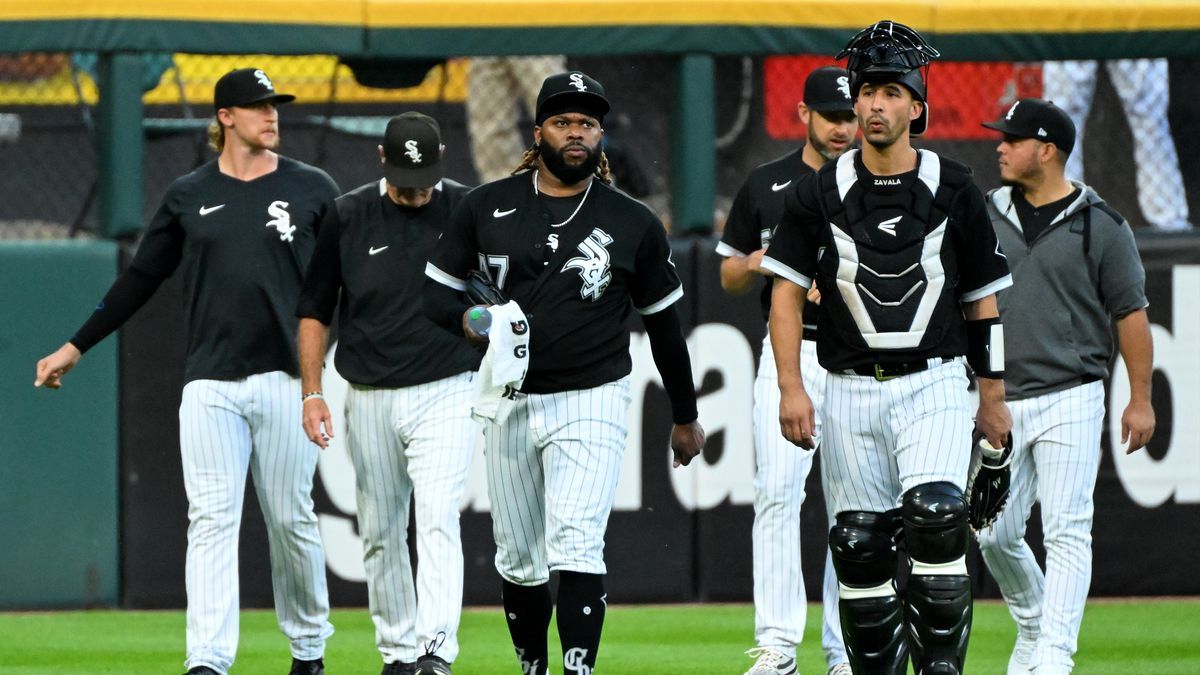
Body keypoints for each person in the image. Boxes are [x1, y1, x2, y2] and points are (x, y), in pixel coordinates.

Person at [34, 68, 334, 675]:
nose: (271, 115)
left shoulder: (314, 188)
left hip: (287, 380)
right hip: (210, 382)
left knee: (290, 518)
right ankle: (208, 659)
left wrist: (324, 376)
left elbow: (342, 281)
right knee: (212, 519)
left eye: (274, 106)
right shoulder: (188, 194)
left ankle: (308, 649)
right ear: (225, 117)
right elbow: (141, 278)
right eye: (257, 107)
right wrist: (77, 344)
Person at [425, 70, 706, 675]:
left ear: (600, 133)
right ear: (539, 131)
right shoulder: (488, 205)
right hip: (509, 396)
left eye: (587, 123)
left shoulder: (630, 221)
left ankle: (577, 669)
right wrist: (470, 318)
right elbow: (435, 294)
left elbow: (665, 328)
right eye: (563, 121)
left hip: (591, 396)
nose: (576, 133)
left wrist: (685, 415)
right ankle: (533, 666)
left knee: (576, 541)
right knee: (518, 559)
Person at [760, 21, 1014, 675]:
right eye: (867, 90)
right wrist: (791, 385)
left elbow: (983, 301)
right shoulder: (817, 192)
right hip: (845, 386)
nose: (875, 105)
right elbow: (785, 295)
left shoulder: (956, 186)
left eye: (891, 92)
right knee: (859, 544)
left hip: (932, 381)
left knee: (936, 518)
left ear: (917, 106)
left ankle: (941, 668)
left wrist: (993, 400)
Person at [296, 112, 479, 675]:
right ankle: (399, 653)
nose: (417, 190)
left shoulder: (467, 209)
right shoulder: (347, 214)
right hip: (370, 391)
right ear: (381, 159)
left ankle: (435, 651)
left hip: (448, 387)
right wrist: (311, 391)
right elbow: (314, 308)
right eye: (405, 177)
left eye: (425, 178)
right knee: (378, 530)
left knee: (438, 516)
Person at [978, 98, 1155, 675]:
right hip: (998, 398)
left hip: (1071, 394)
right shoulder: (983, 212)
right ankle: (1033, 621)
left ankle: (1054, 655)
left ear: (1046, 149)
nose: (999, 145)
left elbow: (1130, 315)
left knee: (1067, 529)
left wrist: (1141, 398)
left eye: (1012, 137)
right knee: (993, 535)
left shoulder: (1100, 224)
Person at [716, 65, 856, 675]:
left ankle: (845, 649)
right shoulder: (769, 183)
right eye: (831, 117)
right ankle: (777, 645)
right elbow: (725, 275)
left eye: (850, 117)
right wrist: (761, 263)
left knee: (852, 511)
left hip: (859, 359)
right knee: (777, 493)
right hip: (788, 355)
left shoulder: (880, 182)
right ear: (804, 114)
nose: (842, 129)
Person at [1042, 59, 1191, 231]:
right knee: (1062, 118)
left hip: (1132, 32)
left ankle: (1170, 224)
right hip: (1073, 32)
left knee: (1150, 117)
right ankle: (1061, 215)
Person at [467, 55, 567, 183]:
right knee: (490, 128)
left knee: (557, 109)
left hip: (534, 38)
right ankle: (503, 193)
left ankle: (571, 184)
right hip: (485, 38)